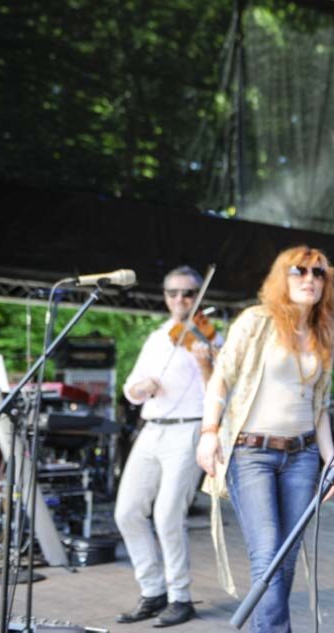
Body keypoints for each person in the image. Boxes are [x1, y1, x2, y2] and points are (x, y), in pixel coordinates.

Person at [197, 246, 334, 633]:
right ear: (283, 276)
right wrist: (209, 432)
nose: (310, 279)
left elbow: (320, 404)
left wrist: (331, 461)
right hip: (251, 454)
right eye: (300, 271)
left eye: (319, 273)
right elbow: (220, 379)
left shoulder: (325, 333)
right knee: (268, 556)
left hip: (303, 455)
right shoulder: (257, 321)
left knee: (286, 557)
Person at [115, 265, 215, 627]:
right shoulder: (158, 337)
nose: (180, 299)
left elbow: (220, 394)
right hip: (152, 429)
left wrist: (205, 364)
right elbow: (131, 387)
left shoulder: (212, 338)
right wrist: (139, 389)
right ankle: (153, 590)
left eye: (188, 293)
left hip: (188, 429)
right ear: (165, 296)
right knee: (127, 512)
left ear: (198, 296)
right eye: (173, 293)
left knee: (168, 514)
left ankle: (180, 597)